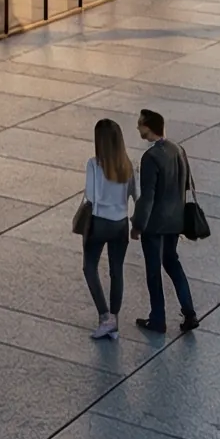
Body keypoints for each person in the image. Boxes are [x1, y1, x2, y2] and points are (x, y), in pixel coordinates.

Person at [134, 109, 198, 335]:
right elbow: (186, 185)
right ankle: (189, 312)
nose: (138, 128)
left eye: (140, 125)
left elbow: (147, 196)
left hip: (155, 224)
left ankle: (157, 318)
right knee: (172, 263)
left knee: (153, 271)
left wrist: (138, 224)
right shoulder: (178, 150)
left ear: (148, 127)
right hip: (175, 220)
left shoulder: (150, 158)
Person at [80, 117, 135, 339]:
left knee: (89, 267)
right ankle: (115, 319)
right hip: (120, 223)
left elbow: (91, 196)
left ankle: (105, 317)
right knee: (116, 270)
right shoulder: (128, 165)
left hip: (99, 221)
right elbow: (135, 195)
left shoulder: (94, 164)